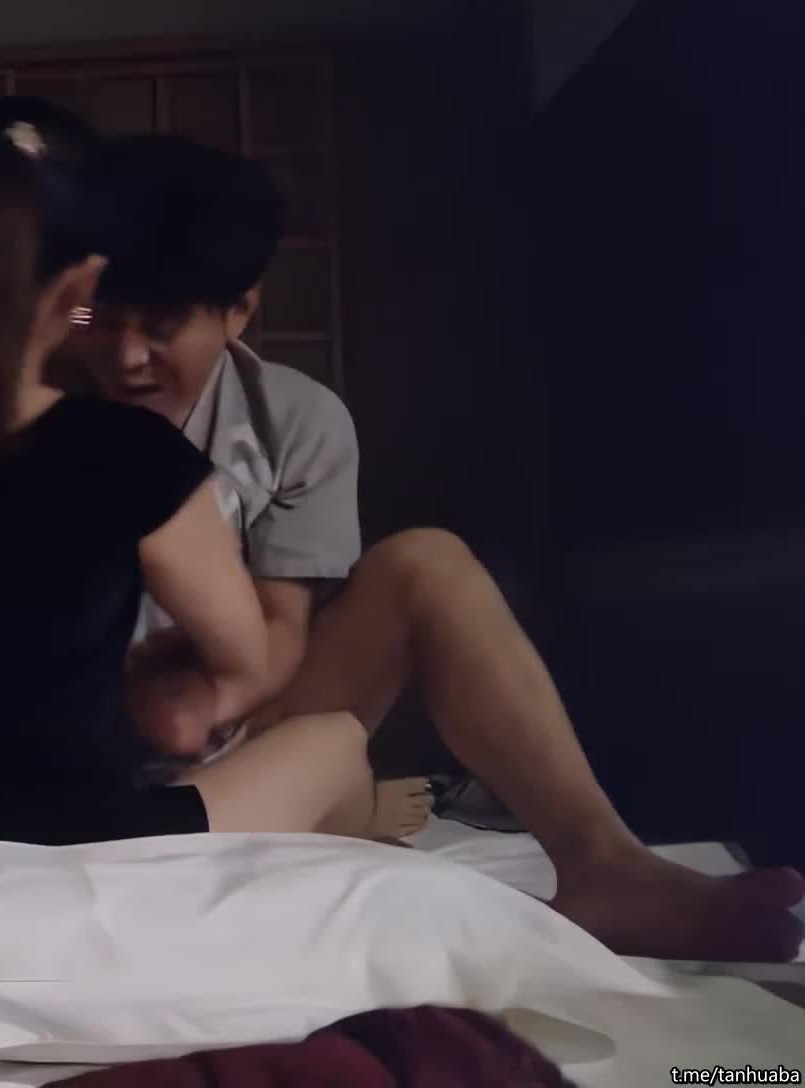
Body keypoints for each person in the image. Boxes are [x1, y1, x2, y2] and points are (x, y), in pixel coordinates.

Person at [62, 132, 805, 963]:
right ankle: (337, 810)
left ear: (238, 311)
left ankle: (605, 867)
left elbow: (281, 631)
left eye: (162, 327)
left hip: (237, 720)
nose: (124, 356)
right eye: (98, 319)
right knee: (325, 773)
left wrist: (209, 694)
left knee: (425, 564)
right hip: (88, 754)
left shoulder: (292, 422)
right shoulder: (35, 416)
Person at [0, 98, 379, 851]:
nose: (124, 353)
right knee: (337, 744)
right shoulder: (130, 453)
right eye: (100, 316)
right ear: (80, 290)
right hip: (78, 849)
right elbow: (244, 657)